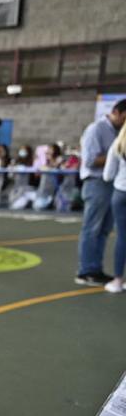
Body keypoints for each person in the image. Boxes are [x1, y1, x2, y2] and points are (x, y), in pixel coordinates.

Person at [76, 98, 126, 286]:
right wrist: (119, 154)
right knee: (92, 228)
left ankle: (95, 268)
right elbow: (89, 160)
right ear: (117, 112)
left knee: (104, 230)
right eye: (125, 118)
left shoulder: (118, 132)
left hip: (112, 184)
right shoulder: (96, 129)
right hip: (96, 183)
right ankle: (86, 271)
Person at [103, 123, 126, 294]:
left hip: (120, 193)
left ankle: (118, 280)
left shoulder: (117, 145)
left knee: (122, 238)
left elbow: (107, 175)